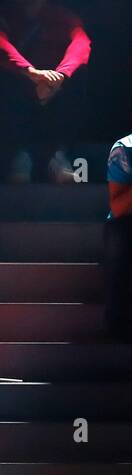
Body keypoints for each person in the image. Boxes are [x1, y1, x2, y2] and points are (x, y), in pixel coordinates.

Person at [0, 0, 91, 184]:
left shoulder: (62, 16)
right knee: (5, 83)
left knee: (75, 86)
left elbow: (81, 43)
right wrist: (30, 72)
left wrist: (60, 75)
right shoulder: (7, 15)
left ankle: (57, 156)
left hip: (54, 86)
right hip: (19, 84)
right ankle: (19, 157)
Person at [105, 131, 132, 341]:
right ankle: (119, 328)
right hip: (127, 223)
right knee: (119, 236)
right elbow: (118, 206)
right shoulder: (124, 149)